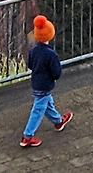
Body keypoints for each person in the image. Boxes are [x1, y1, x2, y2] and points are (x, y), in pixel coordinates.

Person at [20, 15, 72, 147]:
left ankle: (58, 121)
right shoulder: (51, 54)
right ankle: (27, 136)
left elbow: (30, 65)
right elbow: (56, 72)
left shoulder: (34, 50)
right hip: (45, 84)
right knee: (38, 110)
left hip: (36, 82)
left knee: (47, 103)